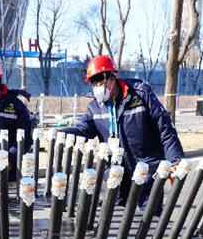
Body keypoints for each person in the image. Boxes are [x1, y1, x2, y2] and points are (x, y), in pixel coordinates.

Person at [60, 55, 184, 207]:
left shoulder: (140, 95)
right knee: (117, 220)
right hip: (117, 174)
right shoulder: (94, 107)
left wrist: (175, 160)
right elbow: (83, 129)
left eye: (100, 81)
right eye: (94, 83)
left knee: (148, 219)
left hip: (147, 171)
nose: (97, 87)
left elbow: (165, 128)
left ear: (111, 78)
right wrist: (61, 133)